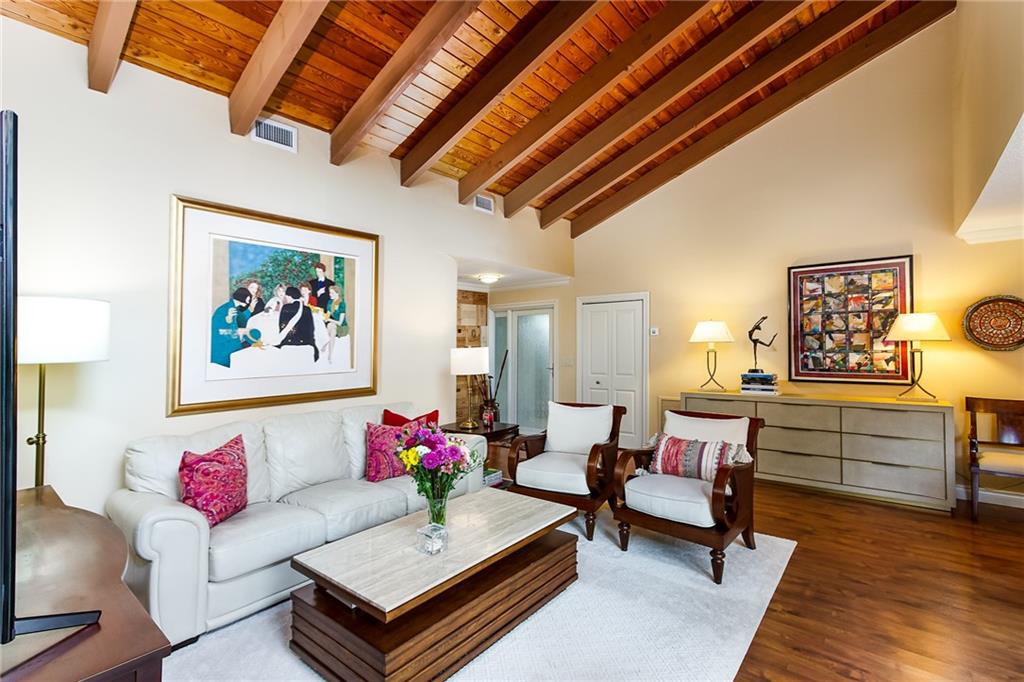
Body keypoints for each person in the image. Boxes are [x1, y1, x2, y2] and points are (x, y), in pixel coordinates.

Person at [210, 287, 251, 368]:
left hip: (226, 340)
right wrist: (239, 332)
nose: (249, 300)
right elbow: (221, 328)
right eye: (248, 298)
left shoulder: (231, 307)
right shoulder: (227, 308)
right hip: (222, 344)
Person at [277, 286, 319, 362]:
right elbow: (311, 328)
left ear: (289, 296)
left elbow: (282, 326)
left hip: (289, 341)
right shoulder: (307, 309)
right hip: (306, 341)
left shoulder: (286, 307)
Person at [322, 285, 348, 363]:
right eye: (330, 293)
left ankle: (327, 349)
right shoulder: (330, 302)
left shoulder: (342, 304)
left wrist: (329, 319)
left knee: (332, 327)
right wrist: (324, 317)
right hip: (333, 324)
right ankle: (329, 353)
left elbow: (340, 323)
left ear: (337, 293)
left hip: (342, 327)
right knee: (330, 326)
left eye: (332, 293)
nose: (330, 295)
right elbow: (328, 315)